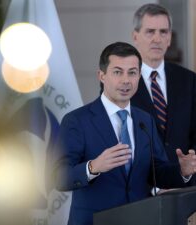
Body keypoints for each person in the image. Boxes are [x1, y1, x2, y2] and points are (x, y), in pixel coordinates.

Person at [51, 42, 196, 225]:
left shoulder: (145, 120)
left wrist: (181, 171)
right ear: (102, 76)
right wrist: (93, 167)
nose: (126, 80)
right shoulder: (77, 121)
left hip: (139, 219)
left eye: (132, 72)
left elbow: (156, 171)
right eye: (118, 72)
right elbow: (58, 177)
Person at [131, 3, 196, 169]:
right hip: (141, 187)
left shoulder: (189, 80)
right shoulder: (121, 82)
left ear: (169, 39)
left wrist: (184, 172)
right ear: (135, 37)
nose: (157, 39)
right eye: (150, 31)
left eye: (163, 32)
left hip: (184, 185)